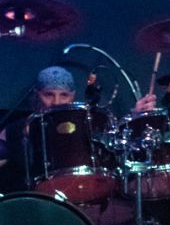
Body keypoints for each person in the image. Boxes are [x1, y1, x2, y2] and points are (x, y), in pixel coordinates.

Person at [0, 65, 156, 190]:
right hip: (32, 201)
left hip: (79, 193)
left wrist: (135, 115)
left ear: (73, 96)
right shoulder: (15, 129)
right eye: (48, 94)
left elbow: (114, 139)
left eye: (64, 95)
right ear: (37, 94)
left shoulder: (84, 123)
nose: (56, 102)